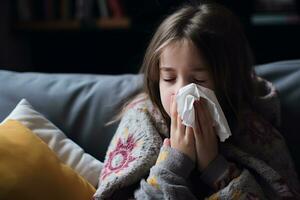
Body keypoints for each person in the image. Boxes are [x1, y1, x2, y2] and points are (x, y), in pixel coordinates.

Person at [93, 1, 300, 199]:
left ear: (228, 81)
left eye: (198, 80)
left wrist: (216, 168)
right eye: (169, 78)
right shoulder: (142, 121)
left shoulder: (254, 129)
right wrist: (175, 163)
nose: (182, 91)